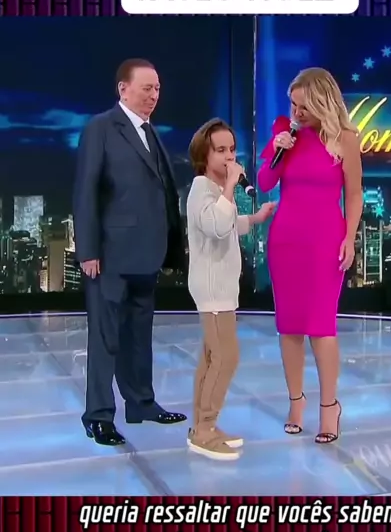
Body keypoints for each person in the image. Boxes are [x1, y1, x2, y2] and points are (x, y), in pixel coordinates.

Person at [73, 58, 187, 446]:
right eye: (146, 88)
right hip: (109, 255)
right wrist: (88, 250)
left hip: (146, 254)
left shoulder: (150, 133)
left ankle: (141, 403)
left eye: (157, 89)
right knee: (105, 338)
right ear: (123, 89)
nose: (154, 95)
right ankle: (98, 415)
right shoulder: (101, 128)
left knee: (139, 335)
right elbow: (86, 190)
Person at [257, 67, 363, 445]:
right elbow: (265, 182)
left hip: (325, 241)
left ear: (323, 103)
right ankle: (295, 403)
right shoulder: (285, 134)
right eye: (293, 105)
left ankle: (329, 407)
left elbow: (354, 193)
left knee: (321, 326)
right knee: (289, 325)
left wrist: (350, 237)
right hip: (286, 239)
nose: (297, 112)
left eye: (304, 106)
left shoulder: (345, 139)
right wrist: (278, 149)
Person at [186, 118, 276, 460]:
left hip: (221, 285)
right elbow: (215, 225)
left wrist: (255, 219)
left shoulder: (213, 190)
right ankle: (205, 430)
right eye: (220, 150)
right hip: (212, 287)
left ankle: (202, 426)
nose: (229, 157)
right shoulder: (202, 188)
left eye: (232, 149)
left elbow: (227, 224)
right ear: (204, 154)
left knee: (212, 357)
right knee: (226, 356)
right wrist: (229, 188)